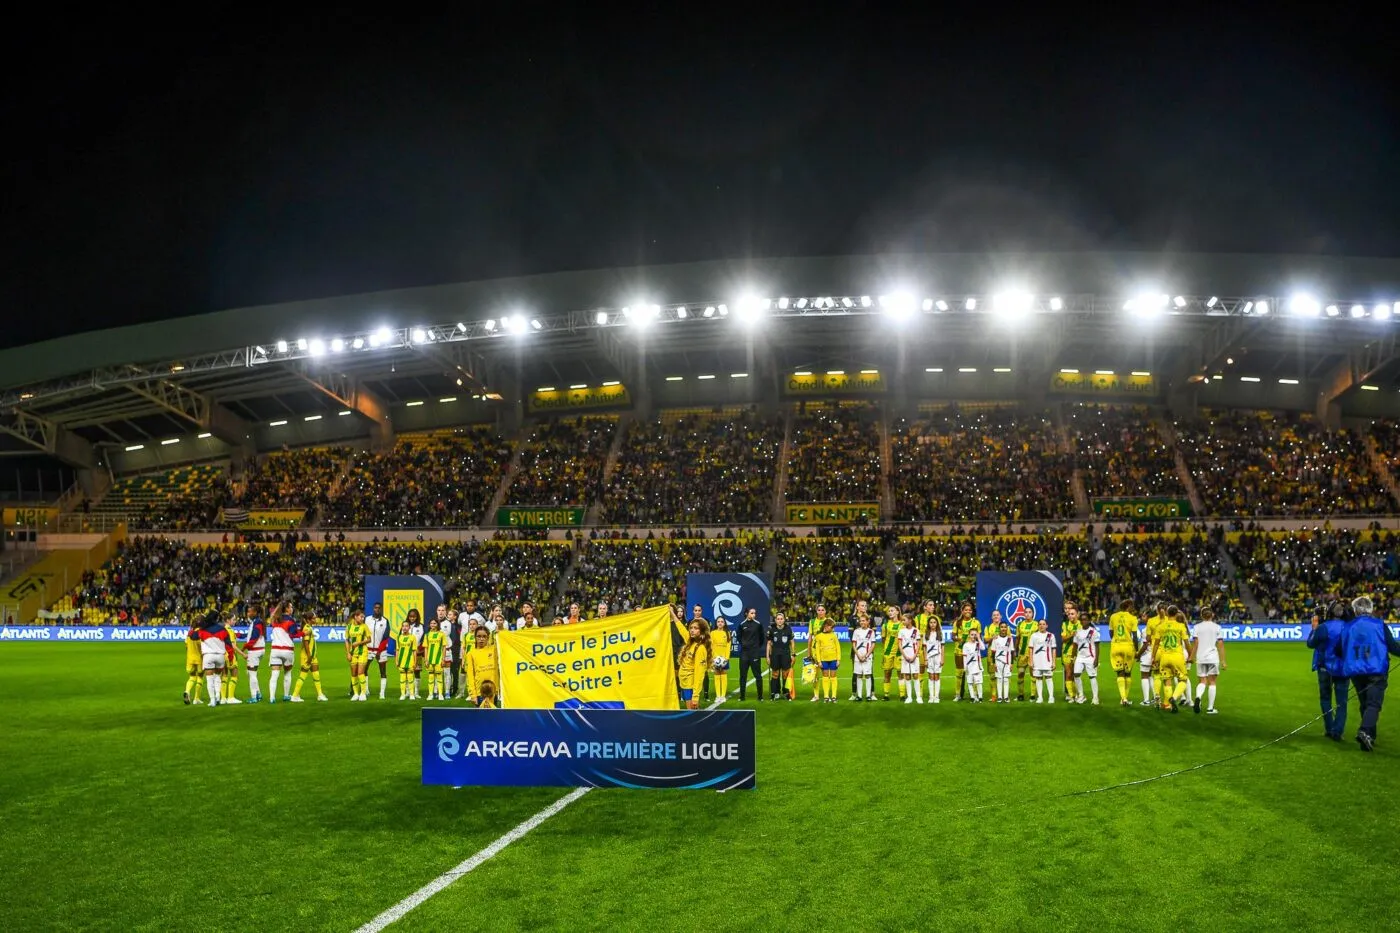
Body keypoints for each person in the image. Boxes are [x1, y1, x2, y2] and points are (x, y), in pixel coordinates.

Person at [1338, 595, 1400, 752]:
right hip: (1376, 670)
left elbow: (1340, 649)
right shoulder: (1379, 624)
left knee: (1365, 703)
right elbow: (1393, 647)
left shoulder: (1347, 627)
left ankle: (1370, 736)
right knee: (1373, 704)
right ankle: (1365, 731)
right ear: (1370, 609)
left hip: (1355, 671)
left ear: (1355, 610)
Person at [1307, 605, 1349, 740]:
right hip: (1343, 668)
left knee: (1325, 698)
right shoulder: (1348, 626)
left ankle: (1330, 728)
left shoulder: (1324, 627)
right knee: (1342, 701)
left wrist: (1314, 628)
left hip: (1325, 666)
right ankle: (1337, 731)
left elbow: (1310, 643)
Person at [1188, 607, 1226, 715]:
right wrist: (1223, 661)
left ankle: (1198, 697)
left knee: (1202, 681)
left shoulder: (1197, 627)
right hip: (1213, 657)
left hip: (1201, 657)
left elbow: (1196, 644)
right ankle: (1210, 708)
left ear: (1201, 616)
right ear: (1212, 615)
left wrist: (1191, 657)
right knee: (1212, 682)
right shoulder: (1217, 627)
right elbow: (1220, 644)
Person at [1153, 607, 1190, 713]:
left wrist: (1153, 657)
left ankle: (1167, 705)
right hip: (1177, 656)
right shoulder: (1181, 626)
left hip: (1164, 657)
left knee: (1167, 681)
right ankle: (1174, 697)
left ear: (1167, 613)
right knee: (1183, 680)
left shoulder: (1161, 626)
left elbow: (1156, 644)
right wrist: (1191, 655)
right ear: (1176, 613)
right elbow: (1187, 643)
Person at [193, 612, 232, 708]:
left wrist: (197, 625)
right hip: (220, 656)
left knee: (209, 679)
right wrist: (230, 657)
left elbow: (192, 636)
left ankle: (212, 700)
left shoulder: (203, 630)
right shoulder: (223, 629)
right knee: (218, 677)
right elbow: (229, 645)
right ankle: (218, 697)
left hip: (208, 656)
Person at [1108, 598, 1140, 707]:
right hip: (1128, 646)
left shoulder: (1113, 616)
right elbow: (1135, 636)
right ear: (1129, 607)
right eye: (1132, 607)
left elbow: (1111, 633)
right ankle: (1125, 698)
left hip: (1116, 646)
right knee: (1128, 673)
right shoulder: (1133, 618)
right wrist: (1136, 650)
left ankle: (1124, 699)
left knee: (1119, 673)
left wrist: (1116, 640)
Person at [290, 614, 328, 702]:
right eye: (314, 618)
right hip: (307, 656)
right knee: (303, 675)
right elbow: (306, 643)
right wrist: (309, 656)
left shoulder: (309, 627)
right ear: (309, 619)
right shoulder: (307, 628)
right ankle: (294, 695)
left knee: (316, 675)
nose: (316, 619)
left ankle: (320, 694)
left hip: (312, 656)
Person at [267, 601, 299, 704]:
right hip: (287, 650)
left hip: (275, 650)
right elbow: (294, 634)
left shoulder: (275, 619)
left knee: (274, 675)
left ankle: (272, 698)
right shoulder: (290, 620)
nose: (292, 608)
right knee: (287, 673)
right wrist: (303, 632)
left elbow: (272, 618)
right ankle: (286, 695)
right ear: (287, 609)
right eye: (291, 607)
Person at [677, 620, 712, 710]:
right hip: (685, 684)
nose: (692, 630)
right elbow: (682, 630)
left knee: (691, 713)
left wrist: (695, 696)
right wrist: (673, 614)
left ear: (702, 631)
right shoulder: (690, 642)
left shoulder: (700, 649)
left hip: (691, 686)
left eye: (696, 628)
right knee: (691, 714)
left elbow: (699, 674)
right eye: (691, 628)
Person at [465, 625, 500, 707]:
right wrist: (473, 695)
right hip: (480, 693)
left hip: (493, 691)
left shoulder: (494, 649)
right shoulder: (471, 653)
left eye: (484, 636)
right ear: (475, 637)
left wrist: (500, 634)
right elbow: (470, 676)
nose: (481, 639)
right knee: (481, 719)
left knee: (493, 718)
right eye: (479, 636)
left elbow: (505, 646)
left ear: (488, 638)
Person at [736, 608, 765, 701]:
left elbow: (762, 638)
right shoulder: (742, 624)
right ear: (747, 614)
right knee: (743, 676)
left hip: (755, 653)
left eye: (755, 613)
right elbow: (739, 637)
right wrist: (745, 645)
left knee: (758, 675)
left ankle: (760, 697)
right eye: (752, 613)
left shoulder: (758, 624)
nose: (754, 615)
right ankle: (742, 697)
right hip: (744, 654)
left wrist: (755, 647)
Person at [811, 616, 841, 703]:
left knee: (833, 677)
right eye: (831, 627)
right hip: (823, 660)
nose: (832, 629)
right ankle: (826, 696)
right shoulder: (819, 636)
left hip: (833, 659)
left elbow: (838, 648)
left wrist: (838, 659)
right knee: (825, 677)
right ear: (826, 626)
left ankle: (834, 696)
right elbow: (817, 650)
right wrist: (819, 661)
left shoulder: (834, 636)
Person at [952, 603, 979, 701]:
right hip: (959, 651)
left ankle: (975, 694)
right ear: (962, 611)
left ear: (972, 611)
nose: (968, 611)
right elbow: (952, 636)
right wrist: (959, 639)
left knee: (973, 673)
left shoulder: (976, 623)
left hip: (972, 652)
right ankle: (958, 694)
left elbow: (978, 637)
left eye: (969, 610)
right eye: (966, 610)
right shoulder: (957, 622)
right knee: (959, 673)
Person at [1072, 612, 1099, 705]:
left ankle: (1095, 697)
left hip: (1090, 657)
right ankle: (1081, 695)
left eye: (1085, 619)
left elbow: (1097, 646)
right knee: (1076, 674)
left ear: (1089, 620)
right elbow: (1075, 645)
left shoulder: (1093, 632)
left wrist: (1096, 659)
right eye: (1082, 619)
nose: (1083, 621)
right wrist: (1073, 657)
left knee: (1092, 676)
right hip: (1080, 656)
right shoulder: (1078, 632)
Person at [366, 602, 391, 700]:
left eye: (379, 608)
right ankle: (366, 690)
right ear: (373, 608)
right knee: (364, 670)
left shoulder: (385, 621)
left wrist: (379, 651)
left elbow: (385, 637)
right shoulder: (367, 619)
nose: (377, 609)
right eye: (375, 608)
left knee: (383, 672)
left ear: (381, 609)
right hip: (368, 649)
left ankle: (382, 693)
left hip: (381, 650)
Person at [767, 612, 795, 700]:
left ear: (784, 620)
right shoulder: (771, 629)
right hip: (775, 655)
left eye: (781, 619)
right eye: (778, 619)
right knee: (775, 674)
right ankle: (775, 692)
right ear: (775, 620)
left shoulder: (788, 629)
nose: (779, 620)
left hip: (785, 655)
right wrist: (767, 656)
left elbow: (792, 642)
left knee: (785, 674)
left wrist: (793, 654)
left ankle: (786, 692)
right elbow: (769, 644)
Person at [896, 611, 922, 704]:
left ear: (910, 620)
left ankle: (918, 697)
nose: (903, 621)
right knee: (907, 676)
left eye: (904, 620)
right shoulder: (901, 631)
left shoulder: (916, 631)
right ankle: (909, 697)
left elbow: (918, 644)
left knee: (915, 676)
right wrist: (904, 655)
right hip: (905, 656)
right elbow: (899, 644)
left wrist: (915, 655)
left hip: (914, 656)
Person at [243, 604, 267, 703]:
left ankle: (254, 697)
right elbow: (250, 634)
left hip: (255, 651)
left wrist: (245, 647)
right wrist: (237, 635)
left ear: (255, 613)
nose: (249, 613)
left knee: (251, 673)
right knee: (252, 673)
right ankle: (258, 693)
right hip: (259, 650)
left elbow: (254, 637)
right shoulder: (257, 622)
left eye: (250, 611)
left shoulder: (257, 622)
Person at [344, 609, 371, 702]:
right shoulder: (349, 627)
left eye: (363, 617)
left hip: (362, 652)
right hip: (352, 653)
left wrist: (359, 643)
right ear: (355, 617)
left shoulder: (364, 626)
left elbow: (369, 640)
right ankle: (356, 693)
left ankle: (363, 693)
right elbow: (347, 640)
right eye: (361, 617)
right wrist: (348, 653)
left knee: (360, 673)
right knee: (353, 674)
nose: (363, 618)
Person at [807, 604, 831, 703]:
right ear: (816, 611)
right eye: (819, 610)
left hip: (825, 651)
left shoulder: (828, 621)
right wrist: (809, 652)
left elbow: (831, 636)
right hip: (814, 651)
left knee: (826, 673)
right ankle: (816, 695)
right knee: (815, 674)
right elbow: (810, 637)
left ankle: (826, 695)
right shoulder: (812, 622)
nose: (821, 612)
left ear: (825, 612)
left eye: (822, 610)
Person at [1029, 619, 1056, 704]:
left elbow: (1053, 649)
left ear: (1046, 626)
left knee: (1049, 678)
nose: (1041, 626)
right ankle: (1040, 697)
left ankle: (1051, 697)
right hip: (1037, 661)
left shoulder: (1051, 636)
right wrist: (1031, 660)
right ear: (1038, 626)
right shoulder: (1034, 636)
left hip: (1047, 661)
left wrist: (1054, 662)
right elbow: (1030, 649)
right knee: (1038, 678)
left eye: (1043, 624)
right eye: (1040, 624)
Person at [850, 613, 876, 701]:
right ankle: (859, 696)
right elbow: (854, 644)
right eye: (860, 621)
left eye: (863, 621)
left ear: (868, 621)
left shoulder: (871, 632)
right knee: (859, 676)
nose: (861, 622)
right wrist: (858, 655)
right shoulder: (856, 631)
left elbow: (873, 644)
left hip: (867, 657)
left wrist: (866, 655)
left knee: (868, 675)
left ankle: (868, 695)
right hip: (858, 657)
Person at [881, 607, 905, 701]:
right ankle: (886, 695)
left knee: (900, 674)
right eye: (889, 611)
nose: (890, 612)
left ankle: (902, 695)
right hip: (888, 652)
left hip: (899, 652)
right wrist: (886, 649)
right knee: (887, 673)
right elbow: (883, 639)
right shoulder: (885, 625)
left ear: (897, 612)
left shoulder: (902, 624)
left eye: (892, 611)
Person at [422, 617, 448, 701]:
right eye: (431, 623)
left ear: (437, 624)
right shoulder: (427, 635)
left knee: (439, 677)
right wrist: (426, 660)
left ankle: (440, 694)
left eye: (434, 623)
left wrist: (443, 659)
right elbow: (425, 648)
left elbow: (444, 647)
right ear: (429, 625)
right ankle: (430, 694)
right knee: (430, 677)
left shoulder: (441, 634)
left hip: (439, 659)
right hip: (429, 659)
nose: (433, 625)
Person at [989, 621, 1014, 703]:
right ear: (999, 628)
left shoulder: (1010, 639)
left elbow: (1012, 652)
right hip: (998, 661)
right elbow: (993, 652)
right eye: (1002, 627)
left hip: (1007, 662)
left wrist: (1012, 664)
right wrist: (993, 663)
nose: (1003, 628)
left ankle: (1006, 697)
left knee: (1006, 679)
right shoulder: (995, 639)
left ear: (1007, 628)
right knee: (999, 679)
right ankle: (999, 697)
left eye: (1005, 627)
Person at [848, 598, 869, 698]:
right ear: (857, 607)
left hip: (867, 650)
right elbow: (851, 636)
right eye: (862, 605)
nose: (864, 607)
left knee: (869, 671)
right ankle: (854, 693)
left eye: (865, 605)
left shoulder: (870, 618)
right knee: (856, 671)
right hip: (856, 649)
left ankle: (871, 694)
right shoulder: (852, 618)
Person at [1015, 612, 1038, 701]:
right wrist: (1015, 650)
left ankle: (1033, 695)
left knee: (1033, 674)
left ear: (1032, 614)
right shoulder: (1020, 624)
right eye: (1026, 612)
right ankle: (1020, 694)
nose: (1027, 614)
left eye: (1029, 612)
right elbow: (1018, 638)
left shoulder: (1036, 624)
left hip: (1033, 654)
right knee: (1020, 673)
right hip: (1022, 654)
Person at [923, 612, 945, 704]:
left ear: (937, 623)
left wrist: (942, 658)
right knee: (931, 676)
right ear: (928, 624)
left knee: (937, 676)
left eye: (934, 622)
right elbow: (924, 647)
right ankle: (931, 696)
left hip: (938, 657)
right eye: (931, 622)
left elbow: (942, 647)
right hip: (929, 657)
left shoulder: (940, 633)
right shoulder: (926, 634)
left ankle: (936, 696)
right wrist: (925, 659)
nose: (932, 624)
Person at [1059, 604, 1080, 703]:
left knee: (1076, 674)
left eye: (1072, 614)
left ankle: (1078, 694)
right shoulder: (1065, 625)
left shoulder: (1081, 624)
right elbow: (1063, 639)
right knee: (1068, 674)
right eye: (1069, 614)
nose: (1070, 616)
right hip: (1067, 652)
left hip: (1079, 653)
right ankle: (1071, 695)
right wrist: (1072, 634)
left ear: (1077, 614)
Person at [395, 621, 420, 700]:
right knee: (402, 678)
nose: (405, 627)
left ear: (409, 627)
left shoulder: (412, 637)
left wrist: (415, 662)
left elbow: (414, 651)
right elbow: (397, 650)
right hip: (401, 660)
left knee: (410, 678)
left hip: (410, 660)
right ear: (401, 628)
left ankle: (411, 694)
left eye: (406, 626)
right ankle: (403, 694)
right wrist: (396, 660)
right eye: (403, 626)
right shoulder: (398, 637)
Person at [709, 616, 732, 703]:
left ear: (724, 623)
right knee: (717, 674)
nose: (720, 623)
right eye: (718, 621)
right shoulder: (713, 633)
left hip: (724, 659)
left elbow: (728, 646)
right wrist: (713, 658)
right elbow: (711, 646)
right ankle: (718, 696)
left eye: (722, 621)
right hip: (715, 658)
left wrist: (726, 658)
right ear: (716, 623)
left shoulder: (727, 633)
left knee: (723, 674)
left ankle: (723, 696)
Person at [183, 617, 206, 705]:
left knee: (192, 677)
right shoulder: (200, 633)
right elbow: (202, 646)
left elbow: (186, 645)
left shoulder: (190, 633)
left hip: (190, 659)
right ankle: (196, 698)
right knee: (200, 677)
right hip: (199, 658)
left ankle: (187, 691)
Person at [406, 608, 425, 696]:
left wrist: (419, 648)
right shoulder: (405, 625)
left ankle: (416, 692)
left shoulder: (421, 626)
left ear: (417, 617)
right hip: (406, 653)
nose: (412, 618)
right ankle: (407, 691)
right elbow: (400, 638)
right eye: (410, 616)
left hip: (418, 652)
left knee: (417, 672)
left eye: (414, 616)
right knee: (406, 671)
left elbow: (424, 640)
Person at [962, 631, 985, 703]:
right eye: (972, 635)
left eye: (975, 635)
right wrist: (965, 667)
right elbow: (965, 657)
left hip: (977, 666)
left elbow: (983, 648)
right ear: (969, 635)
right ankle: (972, 697)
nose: (973, 636)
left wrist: (979, 638)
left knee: (979, 683)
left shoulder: (978, 644)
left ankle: (980, 697)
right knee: (970, 682)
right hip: (969, 667)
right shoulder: (966, 645)